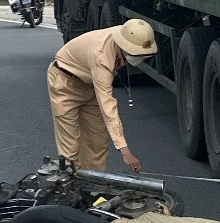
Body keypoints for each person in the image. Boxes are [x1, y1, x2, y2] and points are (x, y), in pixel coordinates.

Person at [48, 19, 157, 173]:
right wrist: (125, 152)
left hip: (90, 84)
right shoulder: (101, 57)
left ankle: (95, 190)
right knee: (70, 148)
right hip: (65, 82)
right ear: (125, 47)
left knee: (97, 143)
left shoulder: (129, 33)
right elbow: (108, 108)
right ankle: (71, 190)